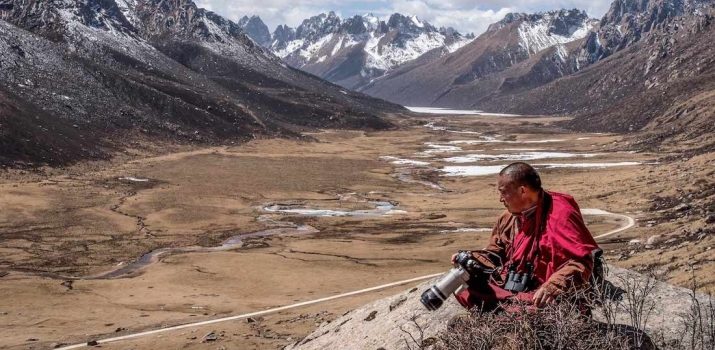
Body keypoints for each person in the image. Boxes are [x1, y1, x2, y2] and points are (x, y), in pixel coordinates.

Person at [452, 162, 600, 311]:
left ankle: (506, 311)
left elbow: (581, 261)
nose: (501, 199)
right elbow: (495, 254)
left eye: (503, 192)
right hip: (515, 288)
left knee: (539, 309)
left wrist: (553, 286)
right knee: (461, 286)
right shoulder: (508, 218)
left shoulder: (561, 214)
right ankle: (508, 309)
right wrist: (472, 258)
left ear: (523, 190)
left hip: (542, 295)